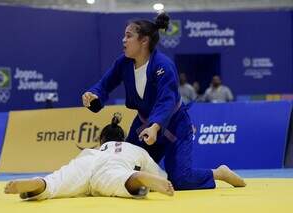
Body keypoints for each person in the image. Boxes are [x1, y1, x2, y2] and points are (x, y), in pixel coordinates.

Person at [82, 12, 246, 190]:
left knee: (180, 180)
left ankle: (218, 173)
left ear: (144, 41)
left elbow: (166, 101)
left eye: (129, 36)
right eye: (124, 36)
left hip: (175, 125)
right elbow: (105, 84)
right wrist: (93, 94)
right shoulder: (124, 63)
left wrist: (154, 126)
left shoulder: (163, 65)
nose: (123, 40)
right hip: (144, 124)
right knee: (127, 168)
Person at [4, 114, 174, 200]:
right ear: (122, 139)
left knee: (57, 181)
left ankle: (40, 183)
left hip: (88, 160)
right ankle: (136, 178)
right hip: (115, 166)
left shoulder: (95, 150)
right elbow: (160, 176)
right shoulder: (135, 149)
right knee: (122, 180)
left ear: (101, 140)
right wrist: (157, 179)